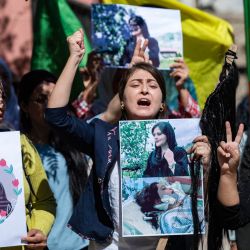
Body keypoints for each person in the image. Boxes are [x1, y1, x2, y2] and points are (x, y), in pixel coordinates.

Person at [45, 29, 211, 250]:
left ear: (162, 102)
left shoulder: (184, 145)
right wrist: (75, 57)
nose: (144, 89)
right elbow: (56, 117)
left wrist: (207, 164)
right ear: (121, 100)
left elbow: (203, 200)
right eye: (135, 85)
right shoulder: (103, 136)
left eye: (152, 86)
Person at [18, 70, 89, 250]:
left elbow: (110, 115)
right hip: (41, 245)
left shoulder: (75, 139)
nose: (49, 104)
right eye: (41, 99)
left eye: (54, 97)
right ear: (24, 106)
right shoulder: (17, 150)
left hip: (81, 245)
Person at [0, 79, 56, 250]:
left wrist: (39, 229)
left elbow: (44, 201)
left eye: (2, 95)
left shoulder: (20, 145)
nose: (1, 101)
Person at [135, 181, 204, 234]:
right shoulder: (162, 210)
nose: (169, 188)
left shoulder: (165, 200)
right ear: (156, 199)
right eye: (163, 188)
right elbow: (175, 205)